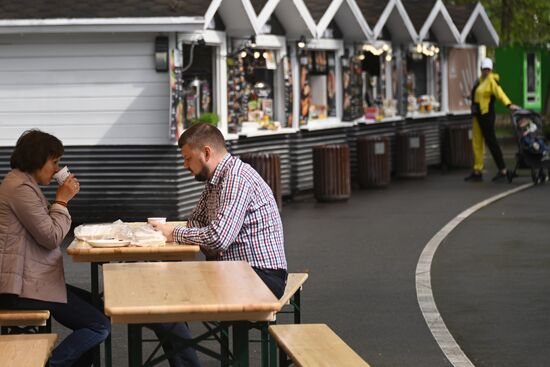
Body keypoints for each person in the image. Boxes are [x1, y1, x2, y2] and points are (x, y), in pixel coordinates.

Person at [149, 123, 288, 367]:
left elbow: (218, 238)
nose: (184, 166)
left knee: (164, 301)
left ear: (206, 152)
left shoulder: (236, 179)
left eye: (187, 159)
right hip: (235, 273)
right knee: (163, 294)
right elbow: (196, 221)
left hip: (260, 278)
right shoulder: (216, 179)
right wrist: (180, 232)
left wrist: (173, 234)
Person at [0, 130, 110, 367]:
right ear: (38, 158)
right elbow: (51, 237)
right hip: (18, 289)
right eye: (55, 162)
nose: (57, 168)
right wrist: (61, 201)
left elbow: (47, 227)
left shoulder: (22, 183)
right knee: (98, 324)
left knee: (96, 307)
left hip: (29, 280)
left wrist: (60, 203)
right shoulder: (19, 188)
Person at [465, 58, 520, 182]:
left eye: (488, 69)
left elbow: (499, 93)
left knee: (491, 142)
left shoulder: (491, 80)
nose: (486, 72)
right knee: (477, 143)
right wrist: (471, 96)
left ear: (491, 70)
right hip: (477, 115)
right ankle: (477, 170)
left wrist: (508, 104)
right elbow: (478, 94)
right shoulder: (479, 81)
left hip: (487, 115)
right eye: (484, 69)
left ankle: (503, 169)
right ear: (481, 69)